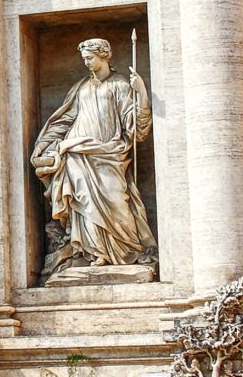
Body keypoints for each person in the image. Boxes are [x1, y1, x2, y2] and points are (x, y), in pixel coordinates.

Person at [31, 37, 156, 278]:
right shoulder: (81, 88)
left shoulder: (120, 85)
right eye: (84, 59)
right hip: (78, 153)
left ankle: (124, 248)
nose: (87, 63)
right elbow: (65, 119)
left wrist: (139, 90)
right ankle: (93, 252)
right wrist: (44, 143)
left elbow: (135, 126)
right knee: (83, 202)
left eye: (90, 58)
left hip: (109, 153)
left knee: (117, 199)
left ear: (104, 56)